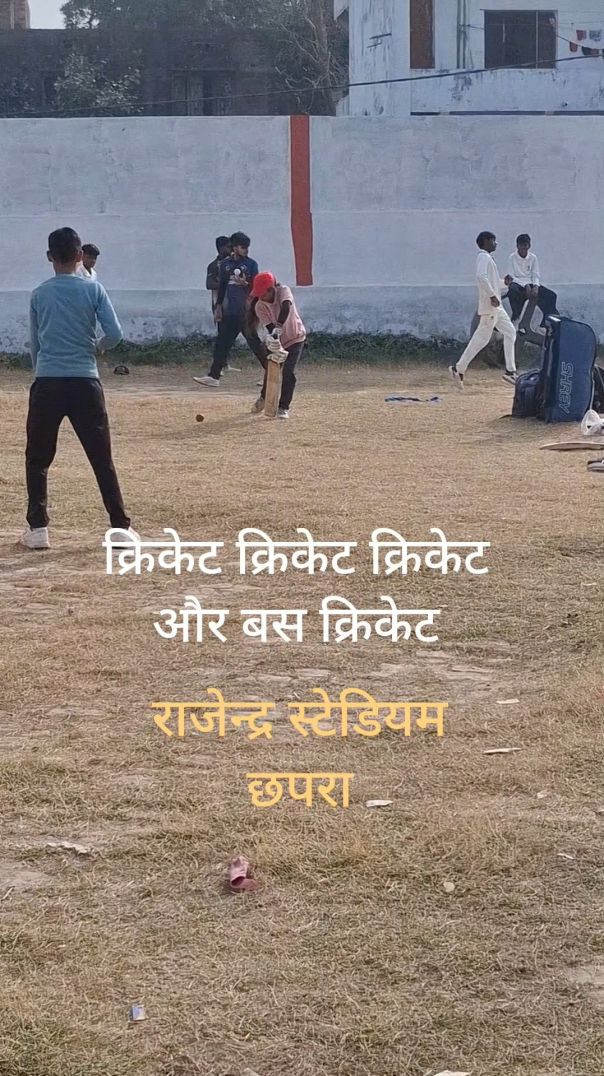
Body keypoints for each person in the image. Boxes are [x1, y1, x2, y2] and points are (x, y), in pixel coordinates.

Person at [23, 227, 136, 551]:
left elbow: (36, 343)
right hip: (85, 380)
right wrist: (97, 347)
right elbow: (115, 333)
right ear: (79, 256)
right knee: (101, 457)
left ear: (49, 257)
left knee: (38, 458)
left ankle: (38, 528)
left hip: (48, 380)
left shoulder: (39, 294)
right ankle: (119, 527)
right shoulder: (94, 289)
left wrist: (41, 372)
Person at [194, 231, 265, 388]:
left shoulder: (251, 264)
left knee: (249, 342)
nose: (246, 250)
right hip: (230, 310)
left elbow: (257, 287)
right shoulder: (225, 265)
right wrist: (219, 306)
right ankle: (214, 376)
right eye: (243, 247)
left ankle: (214, 376)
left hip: (245, 310)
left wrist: (246, 284)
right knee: (226, 343)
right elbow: (222, 287)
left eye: (247, 247)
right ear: (234, 247)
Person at [449, 231, 517, 390]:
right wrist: (492, 296)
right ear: (486, 241)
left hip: (496, 307)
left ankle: (510, 371)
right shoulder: (483, 257)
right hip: (491, 307)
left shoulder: (487, 258)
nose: (496, 243)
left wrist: (504, 283)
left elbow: (491, 281)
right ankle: (458, 369)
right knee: (481, 339)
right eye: (493, 240)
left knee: (510, 332)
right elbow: (481, 277)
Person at [247, 272, 306, 419]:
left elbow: (286, 307)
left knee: (289, 372)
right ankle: (263, 398)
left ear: (271, 289)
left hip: (296, 338)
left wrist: (279, 326)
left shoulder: (283, 291)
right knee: (271, 371)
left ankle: (283, 407)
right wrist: (274, 340)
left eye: (263, 293)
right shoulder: (259, 306)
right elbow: (270, 327)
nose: (260, 297)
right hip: (279, 342)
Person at [505, 234, 558, 330]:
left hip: (531, 283)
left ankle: (544, 325)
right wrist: (525, 285)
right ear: (517, 246)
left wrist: (536, 286)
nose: (523, 248)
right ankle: (516, 319)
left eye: (525, 245)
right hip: (518, 284)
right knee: (512, 290)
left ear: (529, 246)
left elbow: (535, 274)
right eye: (521, 245)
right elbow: (511, 276)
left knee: (551, 296)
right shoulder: (512, 258)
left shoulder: (533, 258)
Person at [206, 236, 231, 315]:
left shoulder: (234, 263)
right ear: (221, 248)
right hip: (220, 304)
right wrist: (226, 284)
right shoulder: (213, 265)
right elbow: (209, 284)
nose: (231, 249)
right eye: (228, 247)